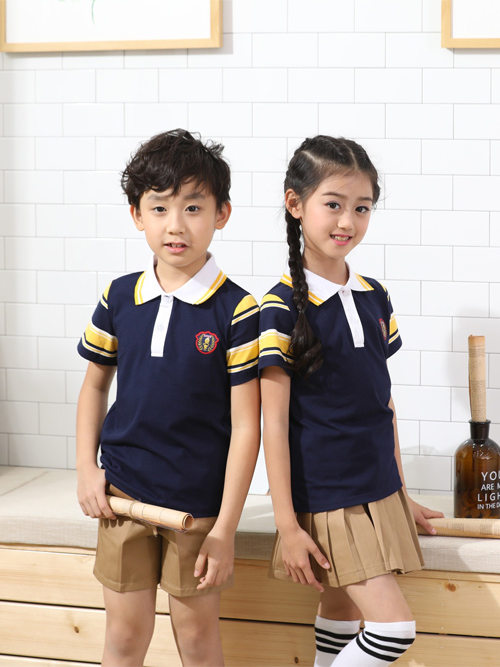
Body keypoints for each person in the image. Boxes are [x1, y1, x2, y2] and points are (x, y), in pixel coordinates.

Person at [76, 129, 260, 667]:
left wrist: (225, 528)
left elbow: (247, 426)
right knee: (123, 637)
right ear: (137, 215)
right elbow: (94, 385)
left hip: (197, 509)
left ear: (222, 214)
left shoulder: (238, 309)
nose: (175, 225)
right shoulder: (118, 296)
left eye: (193, 208)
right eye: (159, 208)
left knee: (198, 640)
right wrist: (86, 468)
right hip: (122, 497)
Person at [259, 135, 444, 667]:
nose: (348, 221)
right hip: (328, 497)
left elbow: (382, 405)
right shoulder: (276, 309)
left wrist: (400, 491)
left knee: (340, 616)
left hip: (376, 490)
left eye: (361, 208)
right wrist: (287, 524)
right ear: (295, 204)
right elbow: (273, 426)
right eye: (334, 204)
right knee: (394, 630)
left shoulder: (374, 296)